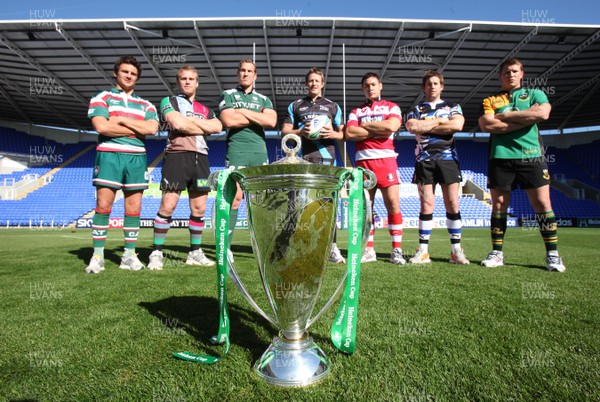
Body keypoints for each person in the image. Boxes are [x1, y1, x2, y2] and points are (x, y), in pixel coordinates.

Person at [478, 58, 565, 272]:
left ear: (522, 73)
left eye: (514, 71)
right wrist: (527, 118)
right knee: (498, 205)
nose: (511, 75)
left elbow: (543, 113)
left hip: (532, 155)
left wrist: (506, 116)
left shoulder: (535, 94)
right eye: (506, 72)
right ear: (500, 76)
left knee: (543, 204)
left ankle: (552, 254)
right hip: (500, 156)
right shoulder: (491, 99)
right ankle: (497, 252)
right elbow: (487, 124)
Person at [85, 56, 159, 274]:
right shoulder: (102, 97)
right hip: (109, 155)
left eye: (133, 73)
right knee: (104, 206)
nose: (129, 76)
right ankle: (97, 256)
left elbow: (152, 129)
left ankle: (128, 255)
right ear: (116, 73)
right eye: (125, 71)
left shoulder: (146, 104)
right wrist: (136, 128)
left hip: (137, 158)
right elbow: (102, 127)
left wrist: (121, 121)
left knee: (134, 209)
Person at [147, 65, 223, 270]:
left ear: (197, 83)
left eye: (191, 79)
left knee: (199, 208)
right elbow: (177, 124)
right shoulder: (169, 101)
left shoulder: (207, 110)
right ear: (178, 82)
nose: (187, 82)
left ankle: (195, 252)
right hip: (177, 157)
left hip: (202, 159)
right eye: (183, 79)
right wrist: (200, 126)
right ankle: (156, 251)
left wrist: (187, 121)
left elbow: (218, 127)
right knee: (168, 205)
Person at [281, 67, 346, 264]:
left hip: (327, 161)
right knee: (297, 205)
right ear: (306, 83)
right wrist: (301, 131)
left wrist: (331, 134)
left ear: (322, 83)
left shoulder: (333, 106)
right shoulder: (296, 105)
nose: (314, 84)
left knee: (328, 206)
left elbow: (343, 134)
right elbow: (284, 131)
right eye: (310, 81)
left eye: (317, 81)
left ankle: (332, 249)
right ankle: (293, 246)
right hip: (301, 161)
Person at [405, 70, 470, 265]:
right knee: (426, 204)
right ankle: (423, 251)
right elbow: (413, 128)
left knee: (452, 203)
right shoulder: (416, 109)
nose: (432, 86)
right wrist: (442, 121)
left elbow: (457, 126)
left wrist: (428, 125)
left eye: (435, 83)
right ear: (424, 87)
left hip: (448, 159)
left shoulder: (453, 106)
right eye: (428, 84)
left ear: (441, 86)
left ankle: (456, 251)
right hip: (424, 161)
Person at [218, 59, 277, 259]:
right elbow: (227, 120)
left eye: (249, 71)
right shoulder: (228, 94)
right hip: (237, 150)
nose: (245, 74)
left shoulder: (264, 99)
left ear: (255, 75)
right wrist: (255, 116)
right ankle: (225, 247)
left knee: (260, 202)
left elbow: (271, 121)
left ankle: (262, 247)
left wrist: (241, 111)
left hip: (259, 152)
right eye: (242, 70)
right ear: (238, 73)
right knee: (234, 199)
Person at [345, 72, 405, 265]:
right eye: (366, 85)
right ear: (363, 89)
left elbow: (392, 126)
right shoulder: (356, 111)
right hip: (363, 162)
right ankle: (369, 249)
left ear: (380, 86)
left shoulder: (392, 106)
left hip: (386, 160)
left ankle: (397, 250)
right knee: (365, 208)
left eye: (373, 84)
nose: (370, 88)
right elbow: (351, 131)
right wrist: (379, 128)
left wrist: (367, 126)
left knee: (393, 204)